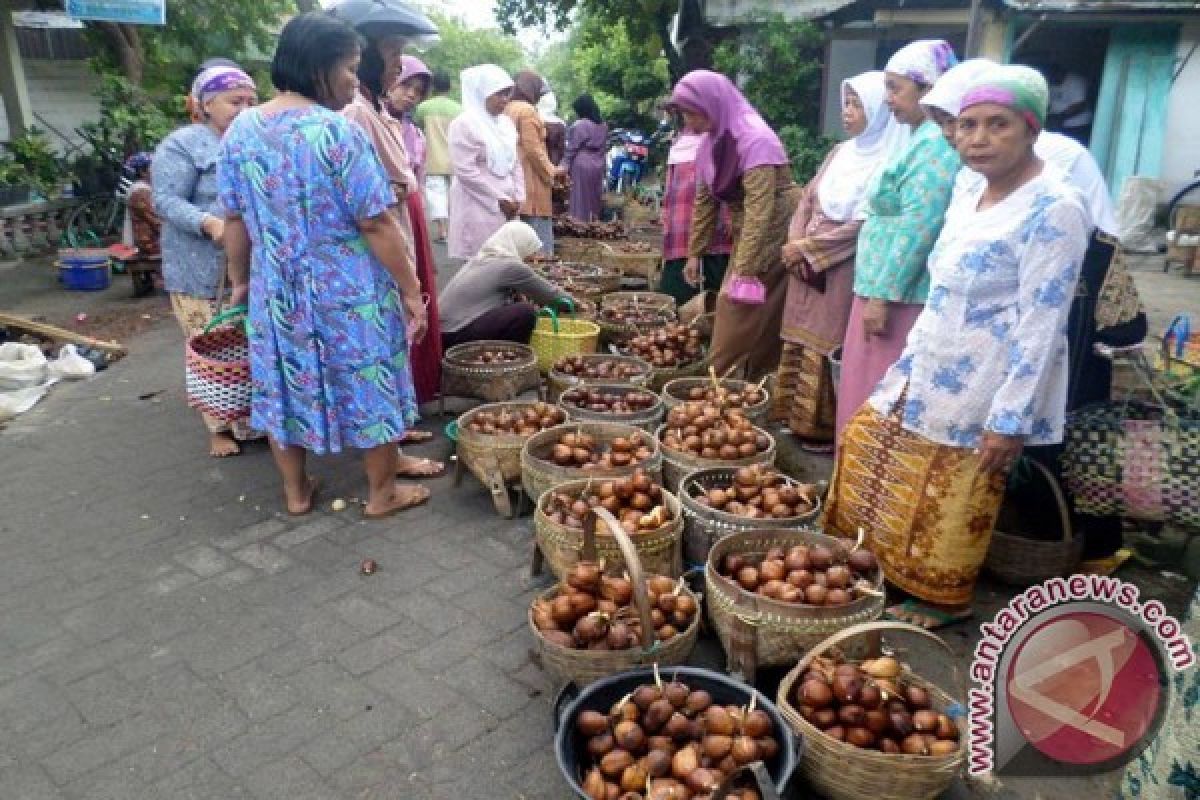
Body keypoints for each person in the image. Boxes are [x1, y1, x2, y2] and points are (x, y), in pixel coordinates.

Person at [823, 65, 1090, 628]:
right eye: (967, 125)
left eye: (998, 125)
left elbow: (1043, 322)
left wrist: (1010, 417)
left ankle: (943, 595)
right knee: (873, 450)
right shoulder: (970, 192)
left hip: (986, 377)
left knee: (952, 491)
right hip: (929, 358)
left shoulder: (1056, 208)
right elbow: (944, 286)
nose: (978, 138)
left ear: (1031, 129)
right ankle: (890, 568)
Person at [217, 12, 431, 519]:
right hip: (349, 292)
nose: (355, 81)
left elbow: (234, 219)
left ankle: (295, 493)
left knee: (283, 384)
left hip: (277, 293)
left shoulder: (242, 131)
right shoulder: (337, 133)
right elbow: (376, 224)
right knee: (370, 379)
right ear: (319, 68)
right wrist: (409, 288)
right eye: (351, 68)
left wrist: (241, 281)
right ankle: (381, 494)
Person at [774, 71, 907, 451]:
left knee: (827, 340)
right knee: (798, 333)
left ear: (879, 111)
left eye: (857, 105)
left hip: (840, 262)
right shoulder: (840, 153)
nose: (847, 112)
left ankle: (822, 429)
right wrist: (795, 241)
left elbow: (865, 223)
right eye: (846, 103)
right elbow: (807, 199)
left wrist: (811, 249)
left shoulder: (889, 160)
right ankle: (793, 418)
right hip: (805, 258)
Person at [836, 40, 961, 440]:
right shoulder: (916, 138)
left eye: (895, 88)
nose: (888, 99)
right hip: (879, 287)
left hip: (897, 296)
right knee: (863, 389)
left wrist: (882, 297)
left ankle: (870, 483)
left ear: (928, 91)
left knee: (878, 396)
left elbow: (918, 226)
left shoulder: (936, 147)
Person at [341, 27, 446, 441]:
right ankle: (386, 438)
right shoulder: (355, 113)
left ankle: (398, 425)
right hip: (381, 229)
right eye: (393, 59)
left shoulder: (377, 110)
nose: (398, 68)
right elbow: (359, 194)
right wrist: (393, 189)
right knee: (389, 330)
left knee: (397, 330)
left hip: (396, 221)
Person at [154, 62, 259, 458]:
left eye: (251, 100)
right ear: (206, 104)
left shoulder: (253, 140)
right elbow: (164, 200)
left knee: (246, 343)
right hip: (199, 269)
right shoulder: (183, 144)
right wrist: (208, 223)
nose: (245, 108)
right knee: (211, 346)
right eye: (235, 101)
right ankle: (218, 428)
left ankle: (250, 419)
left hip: (249, 264)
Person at [668, 70, 799, 381]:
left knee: (740, 305)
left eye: (691, 113)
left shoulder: (757, 140)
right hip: (750, 228)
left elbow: (760, 210)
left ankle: (720, 380)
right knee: (748, 307)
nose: (689, 123)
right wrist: (695, 253)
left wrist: (745, 267)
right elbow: (705, 200)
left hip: (777, 228)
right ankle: (740, 382)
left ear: (712, 105)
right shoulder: (710, 143)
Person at [439, 221, 571, 348]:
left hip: (442, 332)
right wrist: (577, 304)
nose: (531, 256)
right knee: (525, 312)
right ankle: (514, 358)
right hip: (455, 334)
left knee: (515, 306)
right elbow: (551, 295)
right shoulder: (510, 266)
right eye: (531, 250)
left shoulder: (482, 258)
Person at [447, 65, 523, 261]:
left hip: (508, 204)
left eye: (507, 94)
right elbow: (465, 171)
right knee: (479, 263)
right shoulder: (464, 124)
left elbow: (514, 163)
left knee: (505, 261)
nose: (505, 100)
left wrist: (518, 197)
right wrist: (499, 199)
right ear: (481, 93)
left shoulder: (505, 124)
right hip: (477, 203)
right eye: (498, 94)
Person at [657, 124, 732, 306]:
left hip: (714, 229)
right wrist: (666, 215)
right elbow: (671, 189)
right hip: (681, 229)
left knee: (713, 293)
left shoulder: (721, 140)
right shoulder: (680, 144)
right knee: (678, 294)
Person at [506, 69, 566, 254]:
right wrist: (552, 173)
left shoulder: (506, 107)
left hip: (513, 175)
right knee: (538, 239)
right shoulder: (527, 111)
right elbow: (534, 149)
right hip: (531, 179)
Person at [414, 70, 460, 243]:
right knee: (453, 194)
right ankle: (456, 230)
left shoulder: (424, 107)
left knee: (437, 195)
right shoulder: (458, 109)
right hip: (454, 158)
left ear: (433, 86)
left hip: (433, 156)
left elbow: (417, 128)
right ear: (450, 86)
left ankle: (442, 231)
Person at [122, 152, 161, 297]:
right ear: (143, 171)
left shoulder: (141, 189)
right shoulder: (140, 193)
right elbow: (156, 221)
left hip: (147, 238)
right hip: (147, 241)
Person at [564, 94, 608, 223]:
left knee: (579, 195)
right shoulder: (603, 125)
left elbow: (571, 148)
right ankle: (592, 221)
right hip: (598, 163)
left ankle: (577, 222)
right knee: (593, 194)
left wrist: (564, 165)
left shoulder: (579, 125)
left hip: (581, 163)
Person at [1046, 63, 1093, 144]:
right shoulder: (1050, 82)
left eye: (1054, 75)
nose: (1052, 78)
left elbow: (1081, 105)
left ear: (1061, 72)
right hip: (1058, 126)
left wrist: (1059, 117)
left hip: (1078, 126)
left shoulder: (1076, 81)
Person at [538, 90, 567, 166]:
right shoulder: (560, 123)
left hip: (539, 159)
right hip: (555, 159)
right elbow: (562, 147)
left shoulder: (536, 119)